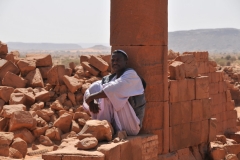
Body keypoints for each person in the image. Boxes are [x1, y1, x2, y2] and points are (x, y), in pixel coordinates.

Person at [83, 50, 146, 136]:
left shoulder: (131, 74)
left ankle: (103, 128)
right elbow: (91, 88)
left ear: (125, 62)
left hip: (132, 125)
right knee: (98, 89)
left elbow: (113, 89)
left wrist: (91, 97)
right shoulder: (111, 78)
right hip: (115, 125)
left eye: (118, 60)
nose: (115, 62)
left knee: (108, 94)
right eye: (113, 60)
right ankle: (103, 127)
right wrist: (92, 100)